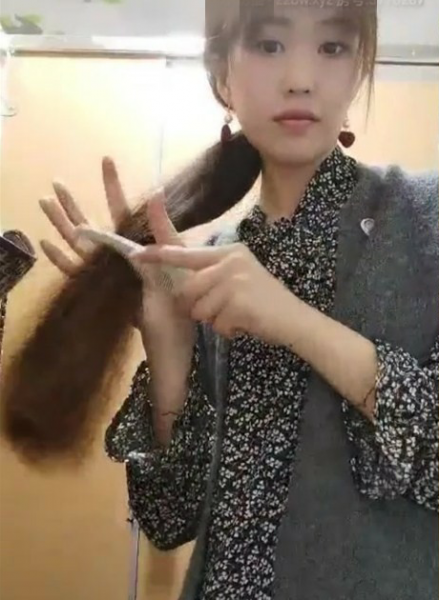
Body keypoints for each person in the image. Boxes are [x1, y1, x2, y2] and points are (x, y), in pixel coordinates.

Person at [32, 1, 439, 599]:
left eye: (332, 47)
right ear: (222, 75)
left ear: (359, 70)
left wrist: (294, 321)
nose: (300, 77)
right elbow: (168, 519)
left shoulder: (424, 222)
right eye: (269, 45)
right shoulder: (207, 263)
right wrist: (169, 344)